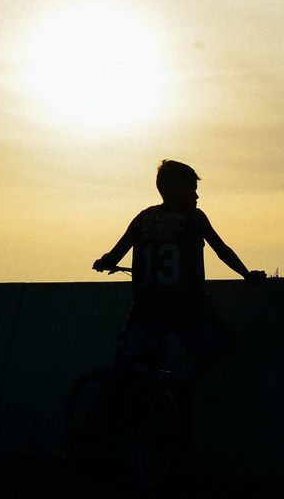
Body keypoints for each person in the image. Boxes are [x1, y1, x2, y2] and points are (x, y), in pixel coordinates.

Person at [93, 160, 265, 378]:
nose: (196, 196)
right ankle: (184, 395)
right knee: (216, 346)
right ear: (178, 189)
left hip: (147, 306)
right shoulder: (194, 218)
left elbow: (114, 255)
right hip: (188, 304)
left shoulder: (143, 218)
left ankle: (119, 403)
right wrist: (246, 274)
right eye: (192, 189)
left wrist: (103, 262)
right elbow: (222, 250)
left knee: (128, 361)